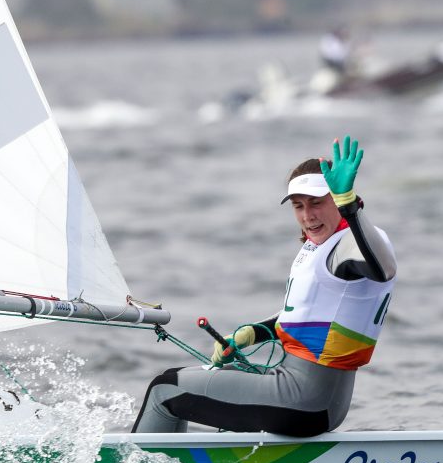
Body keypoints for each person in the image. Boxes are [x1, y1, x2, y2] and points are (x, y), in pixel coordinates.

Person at [132, 135, 397, 436]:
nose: (307, 216)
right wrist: (253, 333)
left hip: (303, 400)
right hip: (317, 401)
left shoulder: (351, 244)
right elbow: (310, 315)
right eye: (298, 206)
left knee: (164, 389)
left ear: (337, 199)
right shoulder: (319, 248)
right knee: (218, 375)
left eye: (317, 203)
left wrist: (350, 204)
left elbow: (381, 269)